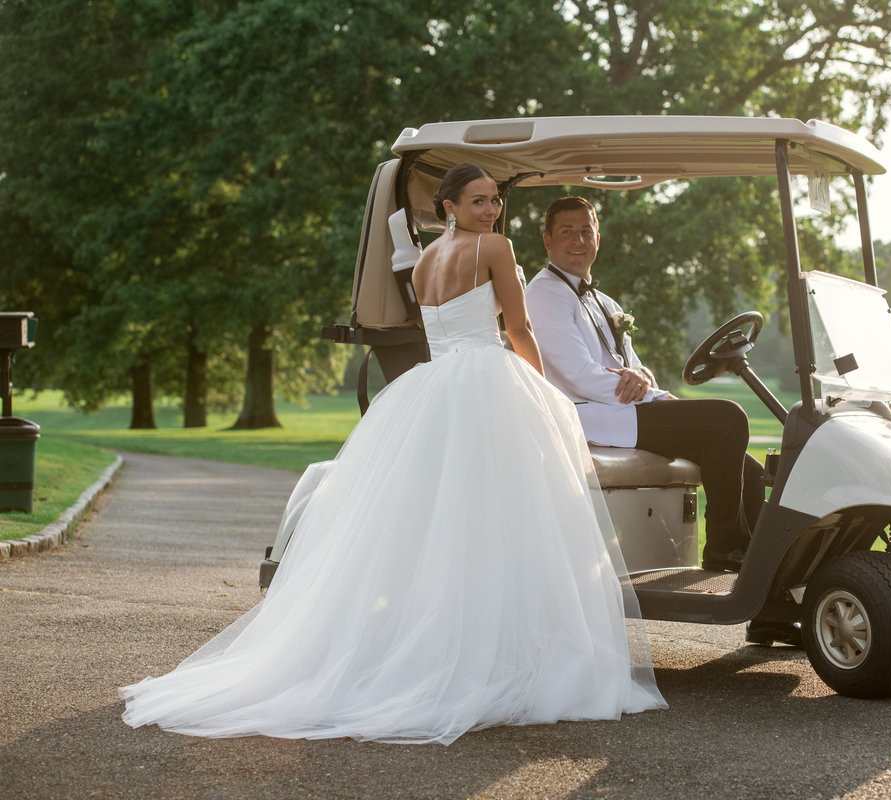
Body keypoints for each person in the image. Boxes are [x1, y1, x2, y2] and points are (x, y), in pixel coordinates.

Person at [120, 164, 665, 744]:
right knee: (512, 516)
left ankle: (457, 646)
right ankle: (506, 653)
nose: (490, 211)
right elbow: (522, 329)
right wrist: (545, 395)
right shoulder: (496, 248)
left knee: (448, 522)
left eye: (493, 203)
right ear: (449, 205)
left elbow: (439, 328)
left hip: (435, 386)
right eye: (478, 201)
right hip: (487, 382)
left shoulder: (425, 259)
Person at [524, 196, 764, 574]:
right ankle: (723, 551)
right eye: (567, 232)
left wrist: (653, 389)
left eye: (586, 231)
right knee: (728, 418)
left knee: (749, 469)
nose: (578, 240)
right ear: (548, 241)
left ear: (598, 239)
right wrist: (649, 395)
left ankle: (755, 573)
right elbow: (579, 376)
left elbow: (633, 368)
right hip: (589, 416)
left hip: (621, 412)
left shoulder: (604, 301)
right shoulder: (543, 294)